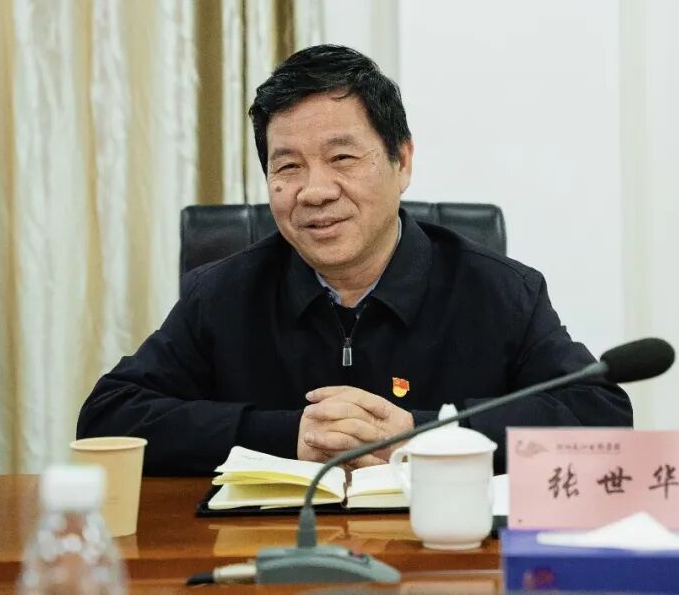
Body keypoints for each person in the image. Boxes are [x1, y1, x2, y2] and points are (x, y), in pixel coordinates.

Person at [77, 45, 632, 475]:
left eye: (342, 157)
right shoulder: (223, 294)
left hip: (442, 558)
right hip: (269, 559)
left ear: (402, 161)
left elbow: (601, 418)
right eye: (288, 167)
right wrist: (286, 435)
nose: (315, 191)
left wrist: (425, 434)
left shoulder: (499, 292)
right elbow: (108, 417)